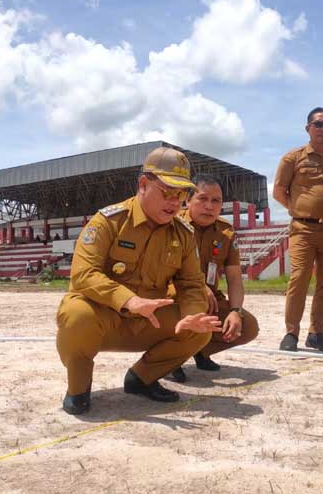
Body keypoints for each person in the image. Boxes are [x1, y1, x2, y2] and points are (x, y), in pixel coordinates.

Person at [55, 147, 222, 414]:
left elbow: (191, 283)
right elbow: (84, 274)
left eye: (181, 195)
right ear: (144, 185)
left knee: (197, 328)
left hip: (149, 319)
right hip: (105, 316)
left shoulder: (183, 234)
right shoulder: (109, 221)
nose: (174, 202)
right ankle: (78, 389)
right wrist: (129, 301)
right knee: (76, 314)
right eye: (167, 192)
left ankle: (142, 379)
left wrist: (192, 315)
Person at [169, 174, 260, 382]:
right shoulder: (172, 225)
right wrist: (198, 286)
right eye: (202, 199)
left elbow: (235, 278)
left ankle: (200, 350)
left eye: (215, 201)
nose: (209, 206)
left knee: (248, 327)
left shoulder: (225, 232)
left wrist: (236, 311)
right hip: (175, 296)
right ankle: (171, 357)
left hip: (210, 301)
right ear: (187, 200)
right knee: (193, 301)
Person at [274, 107, 323, 353]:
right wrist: (298, 210)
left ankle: (316, 333)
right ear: (308, 128)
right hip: (303, 229)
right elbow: (278, 191)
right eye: (318, 124)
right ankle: (291, 332)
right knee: (299, 279)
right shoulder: (292, 158)